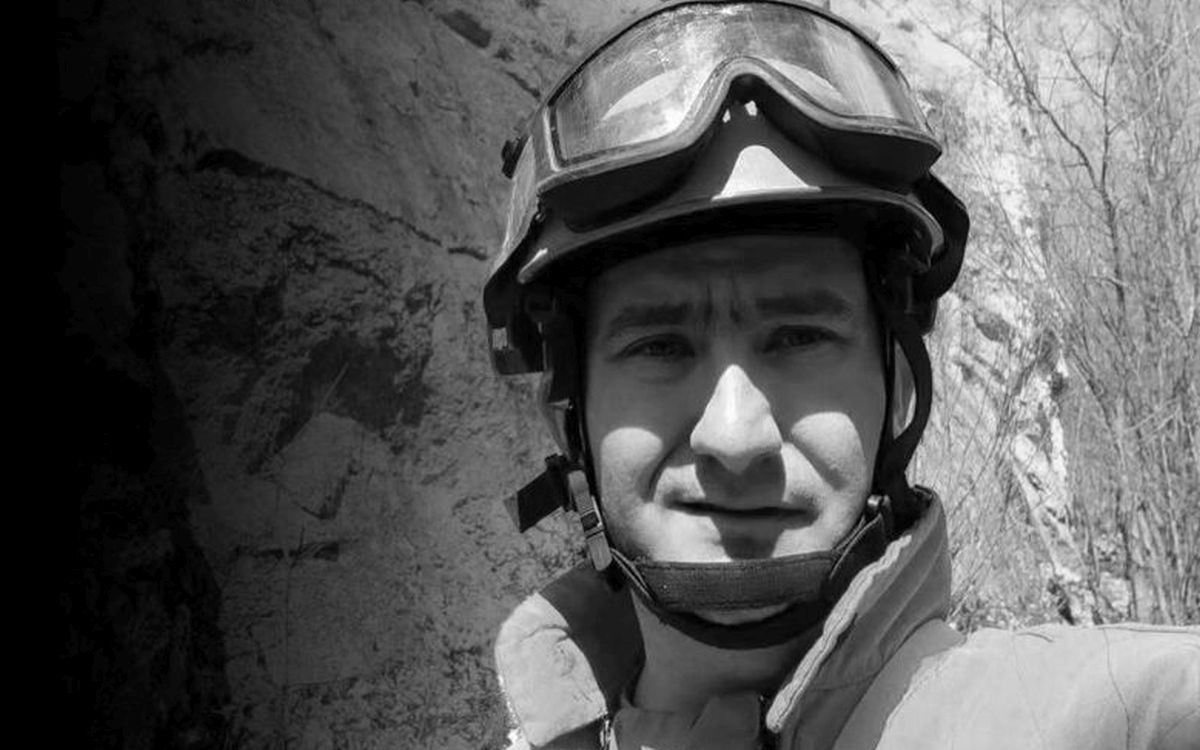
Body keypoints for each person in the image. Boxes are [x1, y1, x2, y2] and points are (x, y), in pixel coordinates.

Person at [481, 2, 1200, 748]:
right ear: (566, 418)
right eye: (660, 347)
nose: (735, 437)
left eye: (799, 337)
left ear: (899, 391)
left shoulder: (1116, 718)